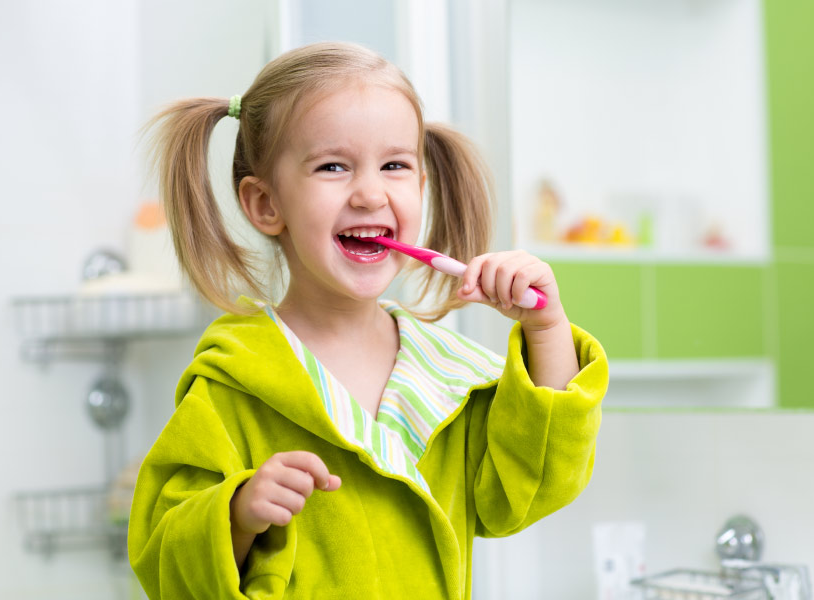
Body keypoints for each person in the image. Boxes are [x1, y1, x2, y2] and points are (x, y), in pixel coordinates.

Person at [128, 41, 607, 599]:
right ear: (265, 204)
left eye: (395, 166)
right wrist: (236, 515)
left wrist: (545, 329)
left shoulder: (449, 377)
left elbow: (532, 485)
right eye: (332, 166)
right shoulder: (231, 385)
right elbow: (164, 560)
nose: (370, 193)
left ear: (421, 188)